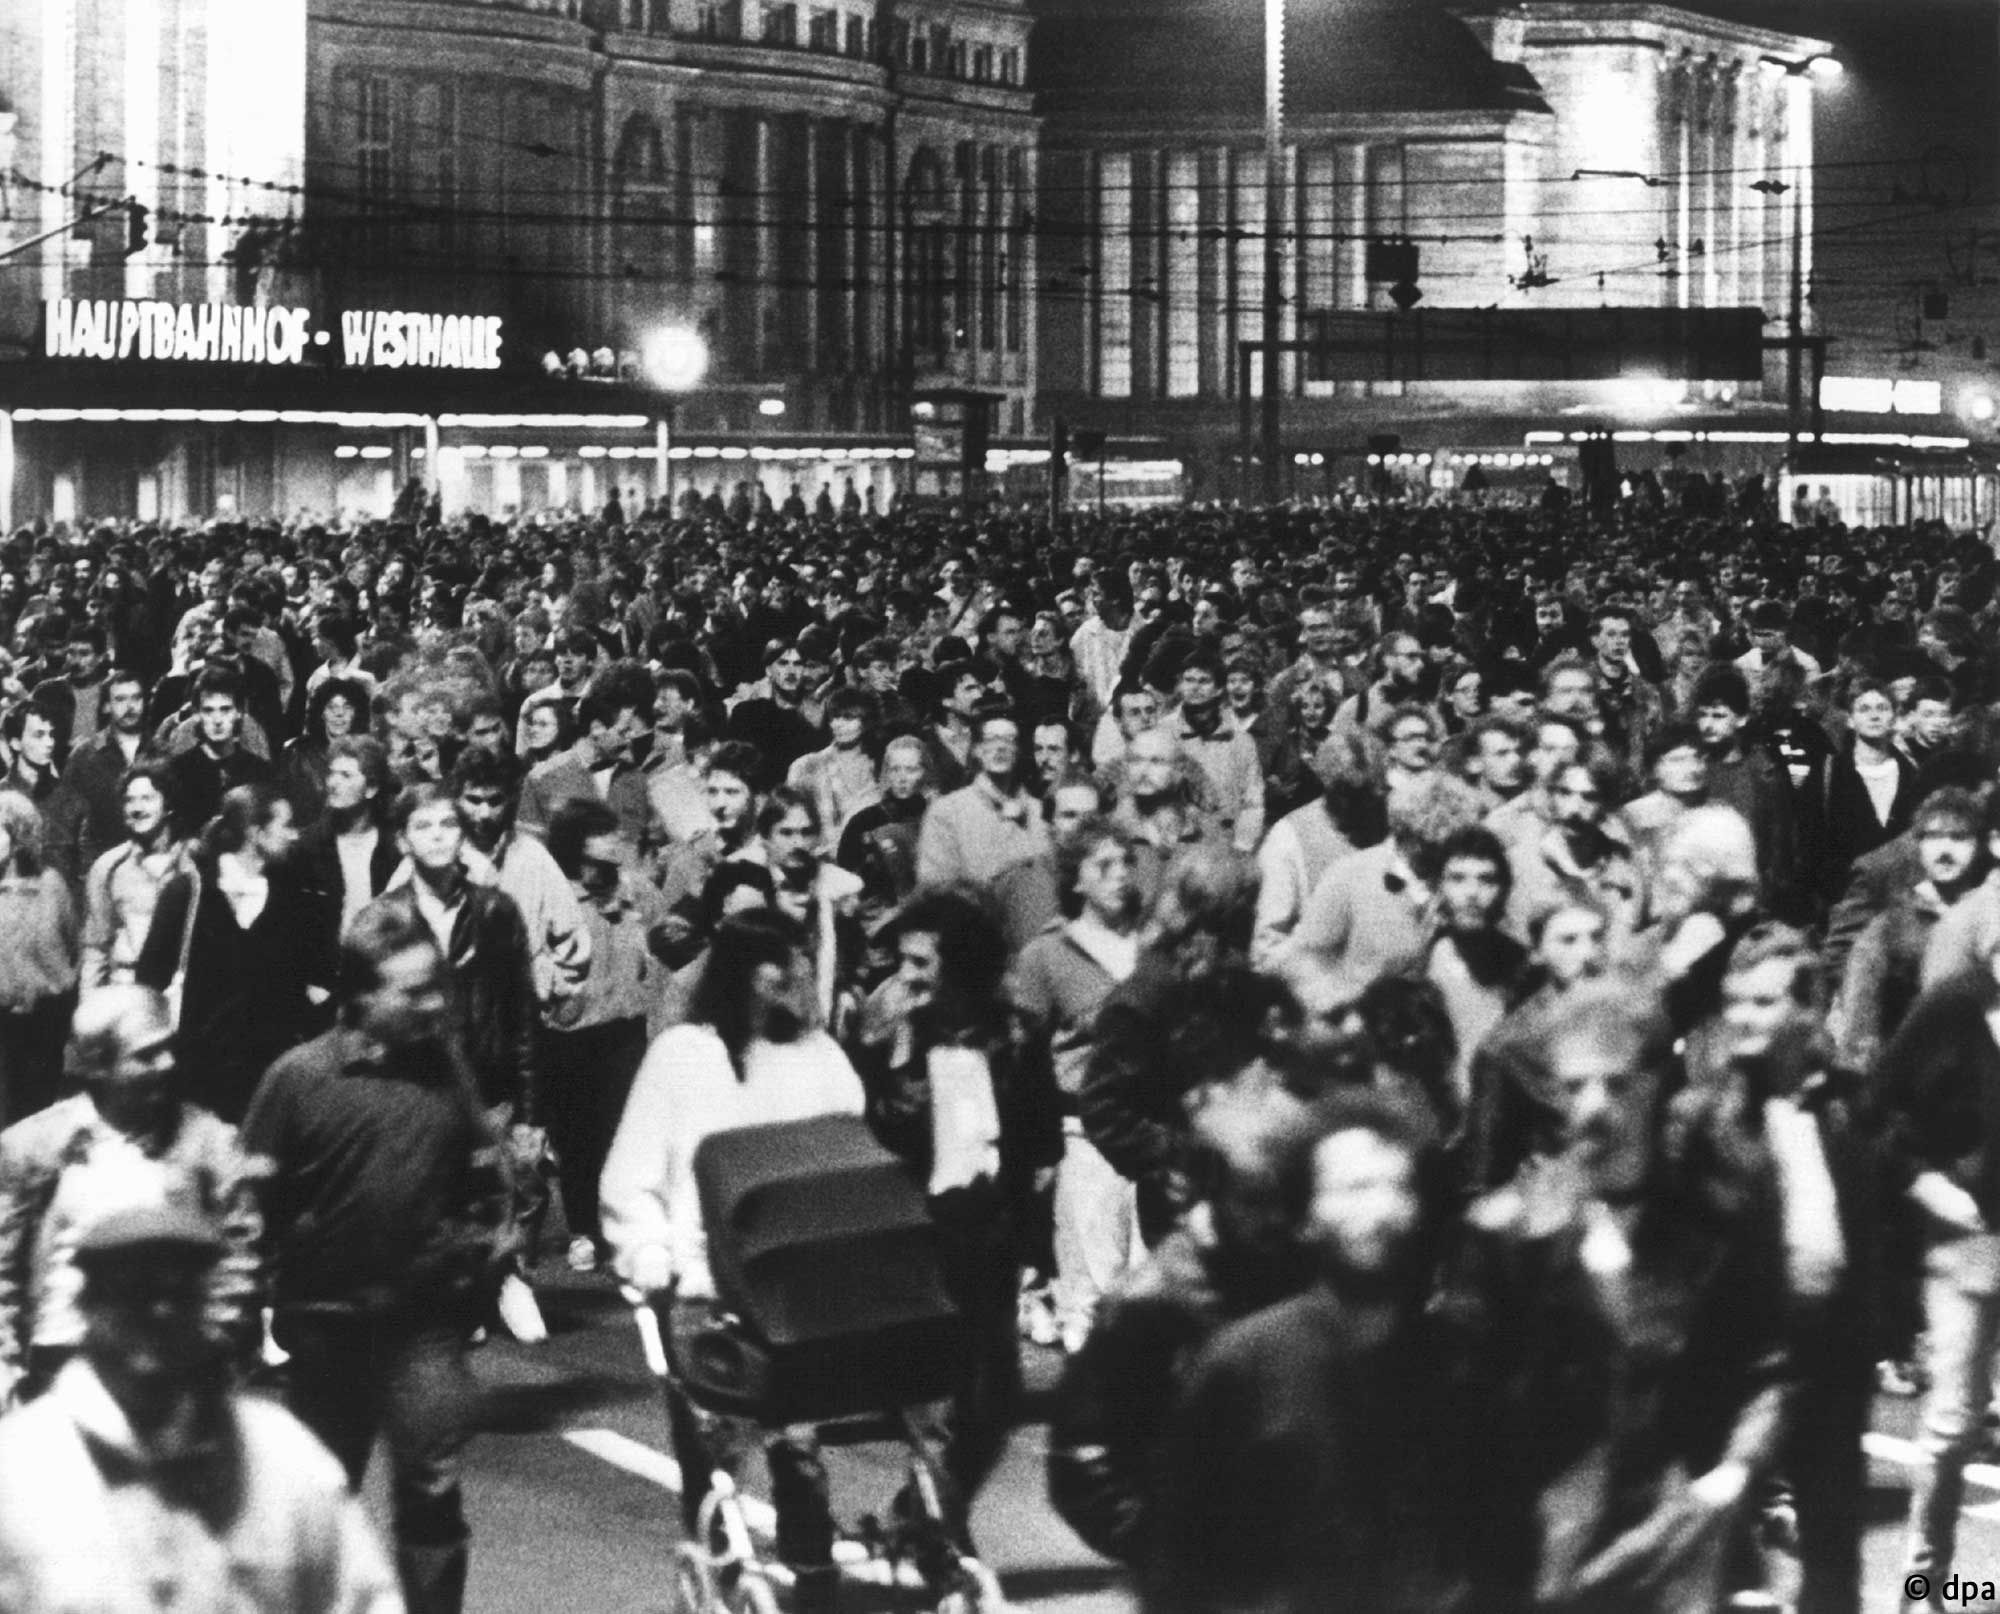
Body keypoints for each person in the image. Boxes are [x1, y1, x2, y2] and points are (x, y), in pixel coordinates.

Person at [1450, 982, 1791, 1614]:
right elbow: (1466, 1412)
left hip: (1675, 1553)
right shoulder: (1512, 1235)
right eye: (1574, 1086)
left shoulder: (1715, 1220)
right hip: (1543, 1562)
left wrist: (1733, 1475)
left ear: (1657, 1083)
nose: (1594, 1107)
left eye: (1616, 1083)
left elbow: (1767, 1363)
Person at [245, 902, 513, 1614]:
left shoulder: (449, 1070)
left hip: (424, 1329)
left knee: (432, 1494)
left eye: (437, 987)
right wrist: (247, 1314)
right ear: (361, 998)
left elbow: (486, 1182)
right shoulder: (297, 1079)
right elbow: (251, 1214)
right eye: (413, 991)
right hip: (326, 1328)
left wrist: (480, 1253)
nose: (434, 1006)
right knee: (319, 1500)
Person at [601, 910, 864, 1614]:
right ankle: (720, 1582)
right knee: (713, 1459)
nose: (808, 979)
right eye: (794, 965)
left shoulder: (821, 1058)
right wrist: (648, 1252)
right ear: (757, 974)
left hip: (798, 1290)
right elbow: (630, 1174)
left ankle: (813, 1580)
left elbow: (851, 1162)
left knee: (801, 1448)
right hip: (704, 1287)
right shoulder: (683, 1056)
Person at [1145, 1089, 1493, 1614]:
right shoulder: (1244, 1365)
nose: (1375, 1209)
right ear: (1305, 1216)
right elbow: (1181, 1569)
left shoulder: (1459, 1367)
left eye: (1394, 1185)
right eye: (1352, 1188)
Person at [0, 1195, 402, 1614]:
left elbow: (366, 1599)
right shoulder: (18, 1467)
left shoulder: (284, 1456)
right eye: (133, 1292)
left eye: (179, 1293)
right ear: (86, 1306)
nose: (159, 1311)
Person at [0, 985, 260, 1407]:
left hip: (167, 1362)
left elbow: (240, 1257)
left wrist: (212, 1349)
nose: (168, 1063)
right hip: (56, 1360)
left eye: (169, 1048)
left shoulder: (210, 1144)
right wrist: (5, 1364)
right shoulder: (33, 1146)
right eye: (146, 1054)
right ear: (100, 1067)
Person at [1008, 816, 1143, 1353]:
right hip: (1082, 1130)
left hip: (1146, 1125)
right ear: (1076, 879)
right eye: (1102, 866)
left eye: (1125, 864)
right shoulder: (1047, 954)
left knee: (1143, 1278)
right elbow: (1025, 1054)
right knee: (1091, 1290)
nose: (1118, 876)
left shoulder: (1151, 945)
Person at [134, 782, 332, 1124]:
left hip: (270, 1083)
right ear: (255, 832)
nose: (294, 835)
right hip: (198, 1082)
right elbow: (148, 981)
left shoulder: (291, 899)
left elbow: (301, 988)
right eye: (284, 826)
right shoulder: (187, 894)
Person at [540, 797, 670, 1271]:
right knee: (577, 1140)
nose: (611, 866)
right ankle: (582, 1230)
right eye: (599, 858)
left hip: (627, 1029)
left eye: (615, 854)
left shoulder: (636, 889)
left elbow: (667, 942)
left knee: (624, 1133)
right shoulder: (554, 896)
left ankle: (624, 1230)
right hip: (570, 1033)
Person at [0, 790, 80, 1125]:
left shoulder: (51, 885)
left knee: (39, 1112)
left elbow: (72, 947)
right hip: (3, 1021)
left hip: (46, 1022)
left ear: (18, 835)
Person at [78, 760, 187, 992]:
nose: (137, 808)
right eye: (129, 800)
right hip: (124, 989)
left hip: (177, 991)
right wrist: (87, 1010)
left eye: (147, 798)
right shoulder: (108, 867)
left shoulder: (190, 867)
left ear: (167, 805)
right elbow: (95, 948)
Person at [915, 709, 1050, 892]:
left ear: (1018, 750)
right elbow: (936, 887)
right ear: (977, 749)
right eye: (991, 739)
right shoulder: (947, 812)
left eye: (1009, 739)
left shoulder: (1039, 812)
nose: (1000, 747)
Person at [163, 668, 273, 839]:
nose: (217, 720)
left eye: (225, 709)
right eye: (208, 711)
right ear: (197, 715)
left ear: (239, 712)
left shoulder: (259, 771)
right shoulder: (177, 771)